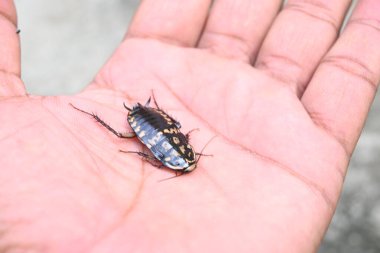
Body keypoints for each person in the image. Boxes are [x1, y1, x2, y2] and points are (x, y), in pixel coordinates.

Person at [0, 0, 379, 252]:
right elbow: (167, 141)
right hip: (150, 125)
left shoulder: (171, 153)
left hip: (150, 127)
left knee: (123, 136)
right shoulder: (172, 152)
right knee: (122, 135)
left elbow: (165, 143)